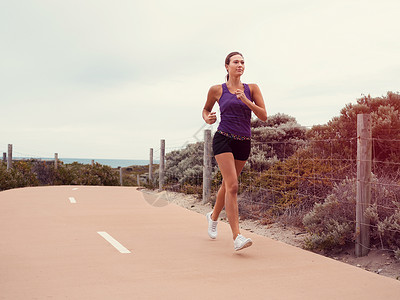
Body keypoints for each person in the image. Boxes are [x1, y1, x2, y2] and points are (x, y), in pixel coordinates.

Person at [202, 51, 267, 251]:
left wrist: (246, 101)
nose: (240, 65)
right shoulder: (216, 90)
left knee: (227, 184)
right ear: (227, 66)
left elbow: (264, 116)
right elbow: (205, 109)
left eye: (242, 62)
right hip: (224, 139)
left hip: (243, 142)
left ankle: (213, 217)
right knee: (233, 186)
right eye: (236, 62)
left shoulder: (252, 88)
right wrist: (207, 118)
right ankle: (237, 236)